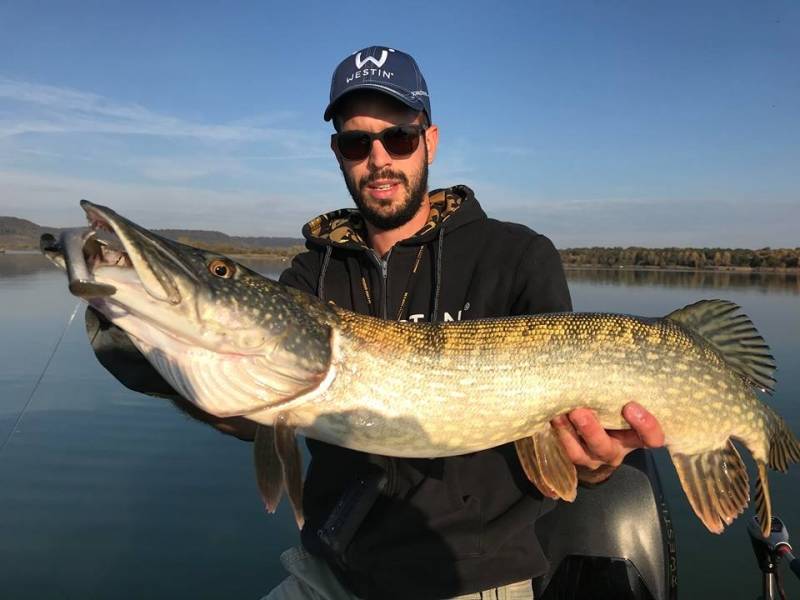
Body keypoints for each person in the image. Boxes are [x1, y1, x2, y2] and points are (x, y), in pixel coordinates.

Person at [263, 46, 665, 600]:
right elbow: (239, 399)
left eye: (398, 137)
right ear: (338, 152)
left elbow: (565, 438)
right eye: (358, 142)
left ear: (429, 140)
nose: (378, 159)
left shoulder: (516, 256)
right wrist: (133, 336)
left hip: (473, 579)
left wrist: (596, 464)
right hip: (333, 573)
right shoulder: (312, 276)